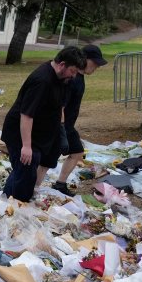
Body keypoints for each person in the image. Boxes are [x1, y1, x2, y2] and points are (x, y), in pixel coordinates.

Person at [1, 46, 86, 203]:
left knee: (25, 170)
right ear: (62, 65)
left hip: (37, 134)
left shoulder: (62, 79)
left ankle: (8, 201)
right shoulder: (42, 81)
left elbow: (59, 107)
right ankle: (16, 204)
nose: (74, 76)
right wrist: (26, 146)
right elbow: (26, 114)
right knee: (26, 173)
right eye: (72, 71)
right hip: (19, 133)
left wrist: (61, 132)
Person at [37, 44, 108, 195]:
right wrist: (61, 129)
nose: (97, 67)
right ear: (85, 59)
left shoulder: (78, 78)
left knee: (77, 152)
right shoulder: (72, 79)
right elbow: (61, 105)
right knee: (46, 162)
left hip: (68, 126)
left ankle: (60, 184)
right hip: (59, 126)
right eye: (95, 63)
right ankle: (32, 190)